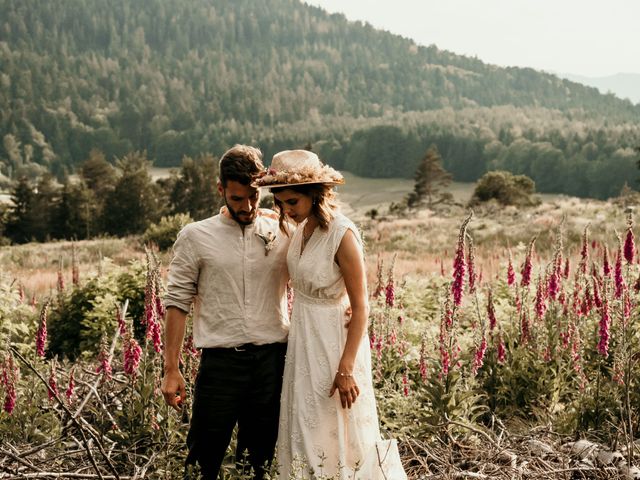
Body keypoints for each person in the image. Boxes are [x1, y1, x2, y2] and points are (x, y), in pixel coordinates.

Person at [254, 150, 406, 479]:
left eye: (292, 201)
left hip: (334, 344)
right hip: (304, 340)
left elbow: (361, 305)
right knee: (305, 424)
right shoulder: (302, 228)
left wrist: (347, 368)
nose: (286, 210)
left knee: (334, 428)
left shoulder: (343, 234)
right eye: (280, 203)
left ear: (314, 194)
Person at [161, 144, 291, 479]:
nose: (247, 207)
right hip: (221, 364)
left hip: (272, 362)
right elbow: (176, 303)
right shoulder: (195, 236)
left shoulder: (285, 230)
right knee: (204, 458)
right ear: (221, 190)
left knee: (259, 461)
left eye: (254, 197)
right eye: (237, 198)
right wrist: (171, 369)